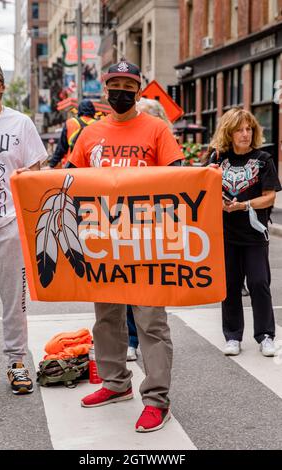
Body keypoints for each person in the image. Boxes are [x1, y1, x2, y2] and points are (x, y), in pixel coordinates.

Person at [66, 59, 184, 432]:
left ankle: (156, 399)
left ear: (138, 89)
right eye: (114, 84)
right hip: (104, 241)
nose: (121, 91)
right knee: (107, 319)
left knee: (150, 322)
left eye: (128, 86)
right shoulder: (89, 135)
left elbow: (179, 177)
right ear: (105, 89)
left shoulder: (156, 129)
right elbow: (69, 179)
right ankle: (116, 384)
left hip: (146, 242)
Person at [0, 57, 47, 394]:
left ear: (2, 86)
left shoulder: (20, 124)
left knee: (13, 302)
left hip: (8, 225)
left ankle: (17, 362)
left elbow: (36, 172)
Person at [207, 107, 281, 357]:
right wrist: (218, 203)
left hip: (254, 234)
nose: (245, 134)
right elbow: (203, 189)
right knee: (229, 285)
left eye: (249, 129)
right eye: (239, 129)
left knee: (259, 283)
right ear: (229, 132)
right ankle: (232, 336)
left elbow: (269, 197)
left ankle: (266, 336)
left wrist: (244, 205)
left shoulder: (263, 159)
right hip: (225, 234)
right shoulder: (217, 158)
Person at [126, 98, 173, 362]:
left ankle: (149, 341)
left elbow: (175, 179)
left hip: (151, 225)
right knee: (125, 289)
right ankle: (131, 340)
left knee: (148, 291)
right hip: (122, 226)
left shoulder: (160, 138)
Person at [48, 99, 96, 168]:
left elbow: (61, 148)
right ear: (93, 110)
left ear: (79, 110)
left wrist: (52, 164)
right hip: (92, 167)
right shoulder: (98, 124)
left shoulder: (70, 123)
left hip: (73, 165)